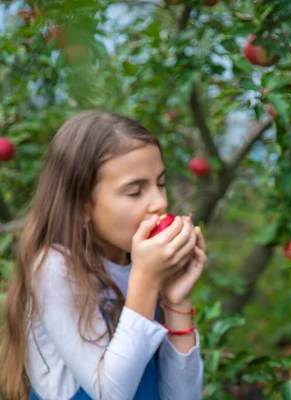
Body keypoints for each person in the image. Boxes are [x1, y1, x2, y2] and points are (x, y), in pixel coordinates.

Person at [0, 111, 206, 399]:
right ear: (83, 204)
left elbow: (183, 397)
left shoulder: (141, 262)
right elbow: (110, 394)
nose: (160, 202)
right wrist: (145, 281)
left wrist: (175, 300)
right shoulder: (54, 268)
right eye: (135, 192)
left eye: (160, 183)